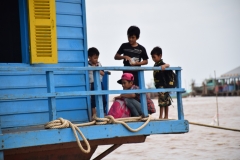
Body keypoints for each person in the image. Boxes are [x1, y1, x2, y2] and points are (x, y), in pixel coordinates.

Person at [151, 47, 171, 119]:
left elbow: (168, 65)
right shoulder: (156, 65)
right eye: (152, 57)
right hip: (159, 86)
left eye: (154, 57)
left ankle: (163, 116)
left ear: (160, 56)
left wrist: (164, 66)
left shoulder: (162, 64)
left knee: (164, 102)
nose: (153, 59)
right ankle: (163, 116)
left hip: (164, 85)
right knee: (162, 101)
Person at [88, 47, 107, 115]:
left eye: (97, 58)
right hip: (92, 84)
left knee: (103, 99)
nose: (96, 60)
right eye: (94, 58)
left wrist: (97, 69)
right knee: (93, 100)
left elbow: (103, 73)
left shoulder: (99, 64)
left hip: (100, 83)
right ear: (89, 57)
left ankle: (103, 114)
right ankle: (94, 115)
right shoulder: (87, 65)